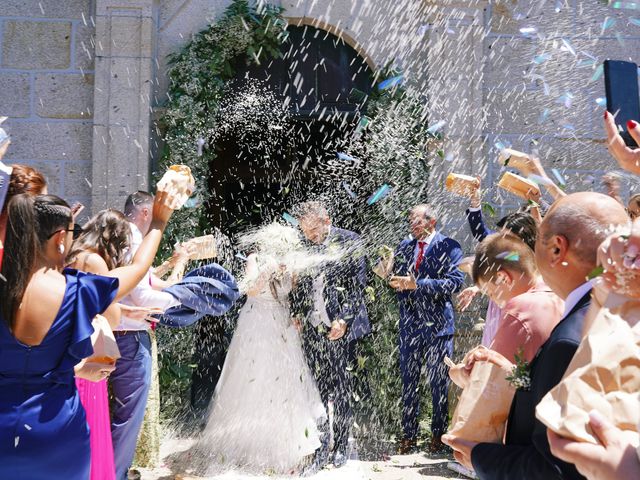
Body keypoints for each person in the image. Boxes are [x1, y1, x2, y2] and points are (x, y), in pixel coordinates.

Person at [443, 192, 630, 479]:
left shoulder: (570, 339)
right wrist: (516, 376)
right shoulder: (621, 309)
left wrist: (480, 456)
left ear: (557, 249)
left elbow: (555, 468)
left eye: (538, 238)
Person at [0, 194, 120, 479]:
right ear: (58, 238)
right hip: (57, 429)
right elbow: (134, 274)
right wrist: (158, 222)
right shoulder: (73, 289)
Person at [193, 222, 326, 475]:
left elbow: (294, 293)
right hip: (256, 321)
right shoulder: (256, 258)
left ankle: (286, 443)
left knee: (284, 381)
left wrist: (290, 277)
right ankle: (244, 442)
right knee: (254, 377)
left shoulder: (291, 262)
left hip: (282, 323)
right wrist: (268, 270)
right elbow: (249, 289)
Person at [291, 201, 370, 470]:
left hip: (341, 329)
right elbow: (301, 285)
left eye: (313, 229)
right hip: (314, 329)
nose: (310, 235)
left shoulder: (350, 240)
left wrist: (344, 320)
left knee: (342, 389)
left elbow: (357, 286)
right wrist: (297, 313)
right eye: (305, 231)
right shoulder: (305, 246)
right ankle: (322, 447)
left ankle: (341, 447)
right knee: (318, 389)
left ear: (326, 220)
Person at [389, 204, 464, 453]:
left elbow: (455, 283)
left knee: (438, 384)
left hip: (439, 328)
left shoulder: (449, 246)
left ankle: (438, 436)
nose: (412, 225)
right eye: (410, 221)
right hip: (410, 326)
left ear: (431, 222)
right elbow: (400, 280)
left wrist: (417, 284)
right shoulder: (405, 247)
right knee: (408, 383)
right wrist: (389, 276)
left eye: (417, 221)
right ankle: (408, 435)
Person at [449, 233, 564, 388]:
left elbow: (486, 384)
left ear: (503, 278)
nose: (495, 301)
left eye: (490, 292)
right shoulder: (560, 294)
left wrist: (459, 372)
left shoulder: (521, 310)